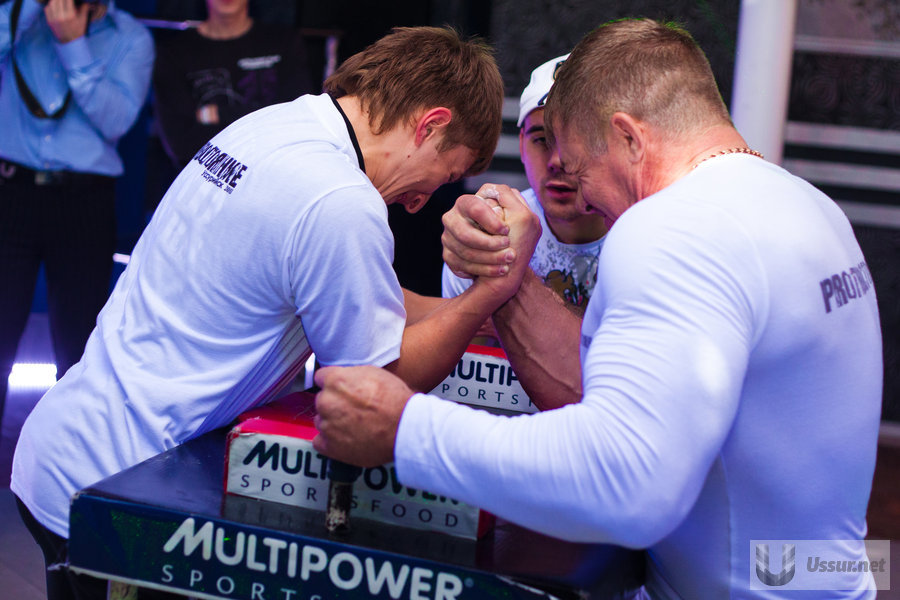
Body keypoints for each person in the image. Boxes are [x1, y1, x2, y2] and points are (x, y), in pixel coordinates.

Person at [313, 19, 884, 598]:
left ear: (629, 137)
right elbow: (621, 398)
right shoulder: (805, 204)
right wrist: (506, 271)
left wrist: (406, 429)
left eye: (581, 167)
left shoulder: (677, 228)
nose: (582, 195)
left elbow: (628, 483)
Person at [11, 26, 535, 600]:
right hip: (120, 484)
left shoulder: (277, 125)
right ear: (430, 125)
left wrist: (471, 312)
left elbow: (353, 292)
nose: (422, 201)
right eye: (447, 173)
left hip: (68, 446)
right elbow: (376, 389)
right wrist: (491, 293)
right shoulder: (340, 201)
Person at [0, 0, 154, 434]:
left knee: (78, 350)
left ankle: (65, 458)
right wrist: (26, 11)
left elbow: (117, 120)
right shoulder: (18, 16)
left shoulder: (131, 37)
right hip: (10, 193)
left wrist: (72, 45)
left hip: (84, 203)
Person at [443, 53, 607, 312]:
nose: (557, 160)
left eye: (576, 140)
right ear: (521, 145)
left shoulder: (644, 232)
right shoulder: (489, 231)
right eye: (541, 139)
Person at [152, 0, 315, 171]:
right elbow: (181, 145)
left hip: (276, 171)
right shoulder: (173, 53)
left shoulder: (283, 42)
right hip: (207, 177)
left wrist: (219, 113)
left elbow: (297, 117)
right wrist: (264, 117)